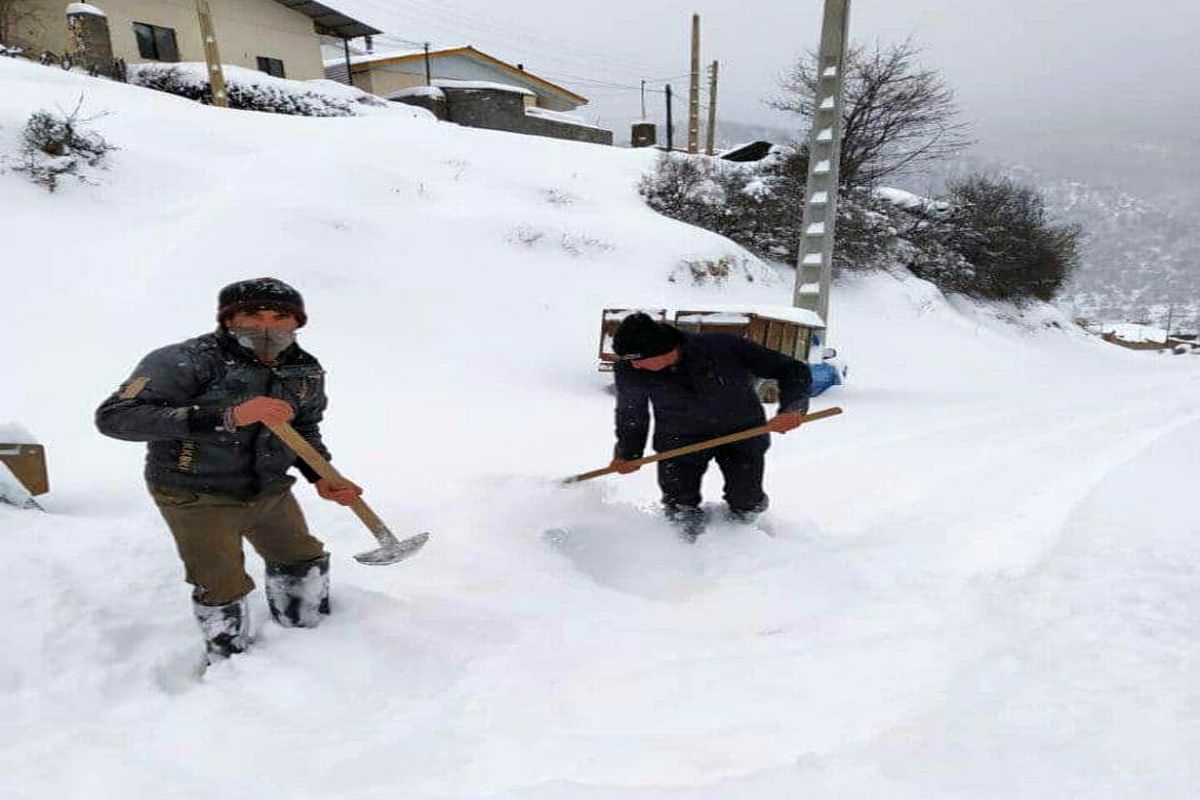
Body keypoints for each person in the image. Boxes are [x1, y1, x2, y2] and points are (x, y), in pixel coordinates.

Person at [95, 278, 362, 662]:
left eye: (281, 316)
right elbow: (117, 418)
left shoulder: (302, 369)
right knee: (220, 582)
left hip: (268, 488)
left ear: (296, 323)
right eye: (253, 314)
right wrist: (228, 416)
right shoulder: (184, 361)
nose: (268, 326)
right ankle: (231, 664)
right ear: (229, 318)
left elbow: (302, 429)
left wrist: (321, 475)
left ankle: (311, 646)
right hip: (195, 491)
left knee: (301, 559)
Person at [608, 313, 812, 537]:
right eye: (629, 360)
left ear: (663, 349)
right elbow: (631, 412)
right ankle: (684, 547)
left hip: (742, 432)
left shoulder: (723, 347)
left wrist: (793, 408)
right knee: (679, 504)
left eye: (638, 359)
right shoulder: (629, 369)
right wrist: (628, 453)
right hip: (678, 438)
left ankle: (745, 537)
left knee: (746, 499)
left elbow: (793, 370)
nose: (634, 366)